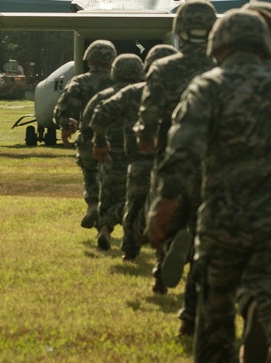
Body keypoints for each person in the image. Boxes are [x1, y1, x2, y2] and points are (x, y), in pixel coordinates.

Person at [148, 8, 271, 363]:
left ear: (218, 44)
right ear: (266, 44)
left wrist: (165, 204)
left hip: (221, 221)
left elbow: (182, 149)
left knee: (215, 314)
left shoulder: (207, 87)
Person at [135, 0, 217, 335]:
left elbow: (149, 112)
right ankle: (191, 315)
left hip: (172, 156)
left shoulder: (163, 67)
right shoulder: (222, 67)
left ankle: (163, 266)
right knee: (205, 231)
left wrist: (146, 137)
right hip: (214, 160)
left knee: (167, 214)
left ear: (178, 31)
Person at [91, 44, 179, 261]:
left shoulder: (134, 92)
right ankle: (174, 247)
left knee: (135, 207)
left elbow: (100, 115)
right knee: (180, 210)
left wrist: (100, 143)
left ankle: (130, 251)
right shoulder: (192, 91)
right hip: (178, 163)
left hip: (141, 161)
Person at [80, 53, 145, 250]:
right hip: (140, 155)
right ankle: (130, 239)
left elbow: (88, 123)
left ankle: (105, 229)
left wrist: (95, 145)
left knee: (108, 196)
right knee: (134, 199)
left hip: (110, 155)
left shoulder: (105, 95)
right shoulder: (148, 93)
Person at [52, 39, 116, 229]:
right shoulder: (121, 82)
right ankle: (107, 222)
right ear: (112, 60)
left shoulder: (80, 81)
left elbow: (64, 107)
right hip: (117, 140)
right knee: (114, 179)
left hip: (89, 137)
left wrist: (65, 124)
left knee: (90, 172)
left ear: (89, 60)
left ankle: (93, 205)